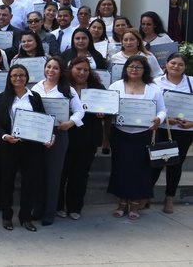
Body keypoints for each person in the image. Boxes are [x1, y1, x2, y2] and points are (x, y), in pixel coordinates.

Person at [108, 55, 166, 220]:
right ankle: (122, 202)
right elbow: (107, 107)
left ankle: (134, 204)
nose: (134, 70)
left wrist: (158, 119)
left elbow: (162, 110)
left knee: (140, 170)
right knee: (120, 168)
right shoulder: (115, 86)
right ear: (126, 68)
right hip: (120, 134)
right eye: (131, 66)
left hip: (143, 135)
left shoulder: (153, 89)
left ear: (144, 70)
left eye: (138, 67)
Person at [30, 57, 85, 226]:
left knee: (54, 174)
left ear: (61, 71)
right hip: (38, 134)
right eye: (48, 67)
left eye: (55, 68)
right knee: (38, 173)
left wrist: (71, 122)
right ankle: (37, 208)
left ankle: (49, 212)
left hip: (59, 133)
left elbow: (79, 110)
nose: (51, 70)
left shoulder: (67, 89)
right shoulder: (36, 87)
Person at [0, 64, 47, 232]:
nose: (18, 78)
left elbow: (42, 118)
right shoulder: (2, 97)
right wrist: (4, 136)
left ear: (27, 77)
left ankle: (25, 217)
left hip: (30, 146)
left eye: (21, 75)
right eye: (14, 75)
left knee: (29, 182)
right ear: (9, 78)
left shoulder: (35, 97)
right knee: (7, 181)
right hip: (9, 145)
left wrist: (46, 136)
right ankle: (6, 216)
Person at [58, 56, 106, 220]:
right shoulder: (62, 87)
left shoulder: (97, 88)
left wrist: (102, 112)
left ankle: (75, 207)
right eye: (79, 69)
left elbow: (107, 109)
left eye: (86, 70)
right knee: (62, 173)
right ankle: (59, 206)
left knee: (80, 174)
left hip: (88, 137)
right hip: (66, 135)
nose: (82, 72)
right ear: (71, 69)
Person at [151, 53, 193, 214]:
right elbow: (151, 105)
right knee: (157, 162)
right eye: (173, 63)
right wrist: (166, 119)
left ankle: (169, 197)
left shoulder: (191, 82)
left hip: (185, 130)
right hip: (163, 128)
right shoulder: (156, 83)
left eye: (180, 64)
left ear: (185, 67)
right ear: (166, 64)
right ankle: (146, 195)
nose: (176, 67)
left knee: (176, 164)